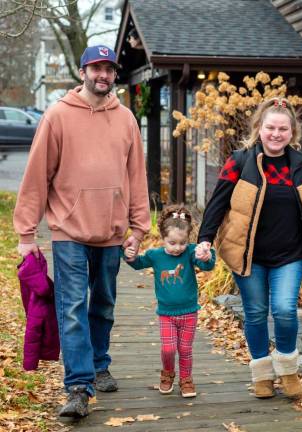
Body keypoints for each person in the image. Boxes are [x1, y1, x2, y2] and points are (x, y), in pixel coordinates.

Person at [13, 44, 151, 417]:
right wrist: (27, 235)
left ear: (114, 75)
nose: (102, 75)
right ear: (82, 72)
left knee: (103, 305)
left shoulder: (125, 119)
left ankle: (100, 362)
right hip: (68, 230)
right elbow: (36, 176)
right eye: (95, 68)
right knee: (72, 308)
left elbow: (136, 176)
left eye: (108, 69)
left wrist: (139, 227)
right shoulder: (58, 116)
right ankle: (78, 386)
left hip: (112, 231)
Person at [196, 97, 302, 399]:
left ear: (292, 133)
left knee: (285, 310)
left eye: (283, 129)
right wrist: (205, 238)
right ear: (259, 128)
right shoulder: (241, 161)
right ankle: (261, 375)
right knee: (255, 314)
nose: (276, 134)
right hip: (249, 257)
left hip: (290, 255)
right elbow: (218, 202)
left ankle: (287, 370)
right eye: (270, 127)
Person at [124, 205, 216, 398]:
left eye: (182, 243)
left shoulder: (190, 252)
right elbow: (138, 263)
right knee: (168, 349)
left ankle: (186, 379)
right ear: (162, 238)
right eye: (172, 242)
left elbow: (206, 265)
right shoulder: (156, 255)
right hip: (166, 313)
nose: (177, 248)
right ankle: (167, 373)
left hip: (189, 311)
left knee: (184, 349)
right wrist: (129, 257)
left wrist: (207, 256)